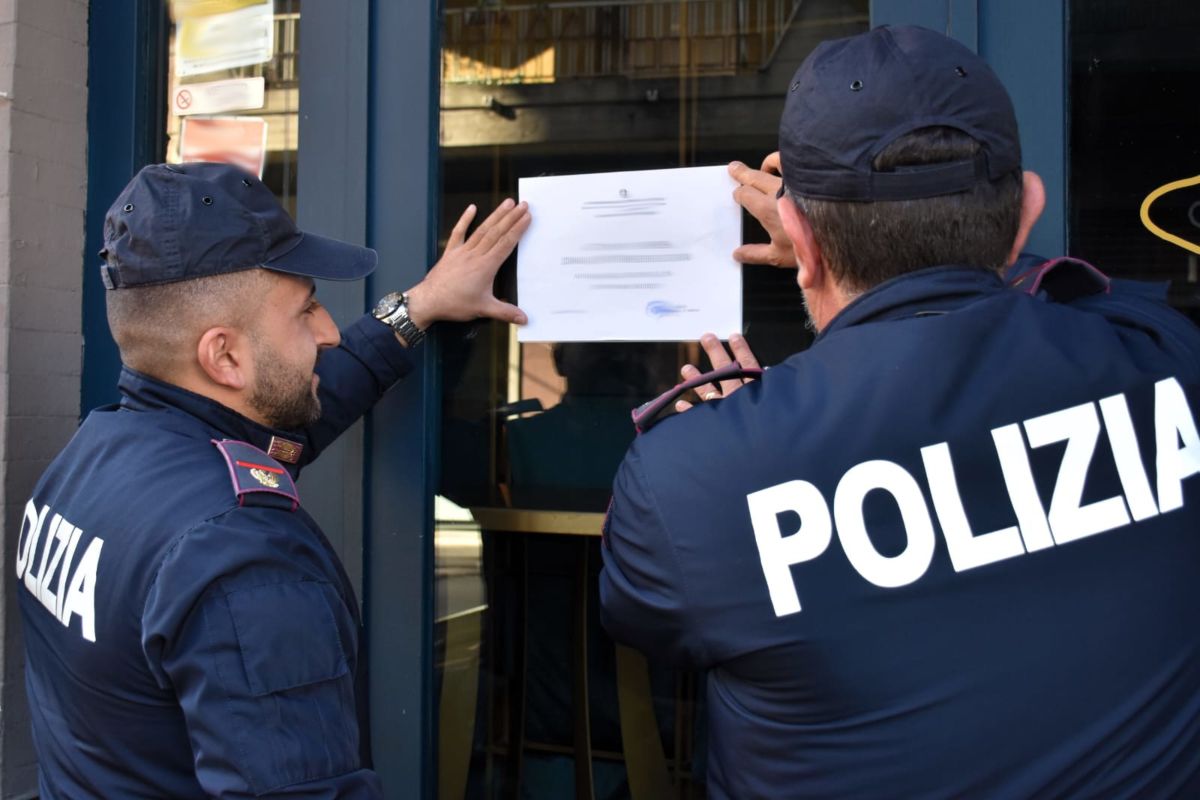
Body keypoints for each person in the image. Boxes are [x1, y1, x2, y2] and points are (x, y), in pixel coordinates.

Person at [599, 25, 1200, 798]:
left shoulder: (695, 479)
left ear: (799, 242)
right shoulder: (1167, 363)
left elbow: (642, 613)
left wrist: (750, 437)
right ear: (1029, 212)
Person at [16, 161, 529, 798]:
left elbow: (285, 419)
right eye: (306, 310)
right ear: (224, 356)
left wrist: (417, 308)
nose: (329, 331)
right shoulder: (243, 558)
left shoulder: (94, 456)